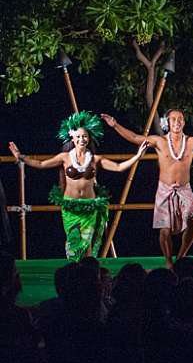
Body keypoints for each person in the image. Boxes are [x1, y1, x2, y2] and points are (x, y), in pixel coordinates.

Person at [102, 109, 193, 267]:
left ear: (184, 122)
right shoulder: (159, 141)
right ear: (167, 123)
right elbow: (134, 138)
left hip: (184, 190)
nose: (177, 122)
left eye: (180, 119)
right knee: (164, 230)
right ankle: (168, 261)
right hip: (165, 190)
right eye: (173, 119)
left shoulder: (191, 142)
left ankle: (181, 256)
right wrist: (115, 125)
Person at [9, 111, 147, 260]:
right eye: (79, 136)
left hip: (89, 206)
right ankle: (74, 273)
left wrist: (137, 156)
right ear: (73, 138)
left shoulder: (95, 159)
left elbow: (119, 167)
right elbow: (41, 164)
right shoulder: (65, 157)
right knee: (73, 242)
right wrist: (20, 156)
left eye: (85, 136)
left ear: (89, 138)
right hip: (70, 207)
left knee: (86, 244)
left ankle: (88, 275)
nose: (82, 139)